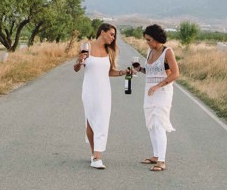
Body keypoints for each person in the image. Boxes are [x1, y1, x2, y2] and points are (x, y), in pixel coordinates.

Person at [73, 22, 129, 169]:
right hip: (89, 90)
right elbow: (76, 68)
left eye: (114, 36)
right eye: (111, 34)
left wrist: (123, 72)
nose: (113, 38)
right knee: (90, 121)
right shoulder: (86, 46)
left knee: (102, 121)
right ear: (102, 32)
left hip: (104, 91)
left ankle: (98, 156)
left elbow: (110, 72)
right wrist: (79, 60)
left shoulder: (109, 51)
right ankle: (93, 153)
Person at [134, 24, 179, 172]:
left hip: (163, 91)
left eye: (149, 40)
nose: (147, 43)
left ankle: (162, 160)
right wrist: (139, 69)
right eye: (146, 40)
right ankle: (155, 155)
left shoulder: (167, 52)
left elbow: (175, 74)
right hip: (149, 91)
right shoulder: (149, 51)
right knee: (151, 123)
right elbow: (150, 71)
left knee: (159, 123)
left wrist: (158, 86)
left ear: (157, 38)